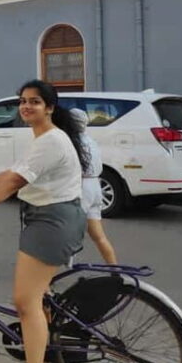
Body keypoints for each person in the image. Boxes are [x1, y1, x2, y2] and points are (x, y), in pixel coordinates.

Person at [0, 80, 87, 363]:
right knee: (39, 297)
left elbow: (14, 182)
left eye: (34, 101)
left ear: (49, 107)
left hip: (51, 223)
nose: (26, 106)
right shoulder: (43, 138)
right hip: (48, 219)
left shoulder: (51, 140)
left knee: (25, 302)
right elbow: (12, 172)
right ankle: (50, 356)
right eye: (23, 100)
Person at [71, 108, 118, 265]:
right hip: (95, 186)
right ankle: (114, 269)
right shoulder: (91, 141)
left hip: (81, 186)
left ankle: (47, 280)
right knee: (99, 236)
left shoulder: (72, 142)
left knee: (65, 236)